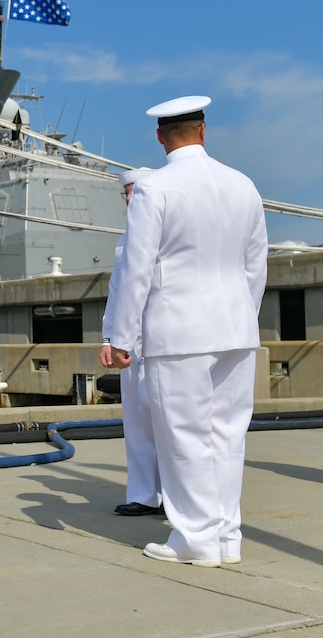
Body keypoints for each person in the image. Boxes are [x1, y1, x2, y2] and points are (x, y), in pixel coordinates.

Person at [104, 96, 268, 568]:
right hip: (236, 328)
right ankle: (226, 537)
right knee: (228, 435)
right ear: (203, 129)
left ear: (160, 136)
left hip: (178, 331)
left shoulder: (155, 189)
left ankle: (195, 538)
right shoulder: (244, 185)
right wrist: (242, 314)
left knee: (183, 436)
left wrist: (120, 337)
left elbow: (137, 270)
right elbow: (255, 265)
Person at [100, 168, 162, 517]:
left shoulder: (166, 233)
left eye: (134, 191)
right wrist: (109, 336)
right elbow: (117, 293)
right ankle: (143, 493)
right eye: (125, 193)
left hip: (162, 337)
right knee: (136, 420)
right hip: (130, 341)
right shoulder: (124, 241)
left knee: (164, 419)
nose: (129, 198)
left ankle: (173, 493)